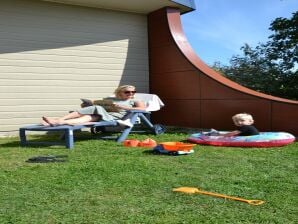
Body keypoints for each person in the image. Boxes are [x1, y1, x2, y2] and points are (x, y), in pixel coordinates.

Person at [41, 85, 146, 126]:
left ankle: (57, 120)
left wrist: (124, 107)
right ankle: (59, 122)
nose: (131, 94)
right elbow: (86, 108)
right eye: (127, 92)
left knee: (97, 108)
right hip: (101, 115)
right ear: (120, 92)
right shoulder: (110, 99)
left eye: (133, 92)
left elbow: (142, 109)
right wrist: (86, 104)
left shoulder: (136, 100)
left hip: (113, 117)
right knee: (88, 117)